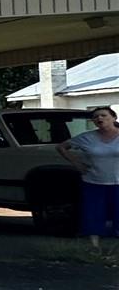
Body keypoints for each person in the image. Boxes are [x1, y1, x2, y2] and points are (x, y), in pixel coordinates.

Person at [58, 104, 119, 247]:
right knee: (94, 213)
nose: (99, 118)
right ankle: (94, 246)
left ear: (113, 118)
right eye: (95, 117)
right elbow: (61, 147)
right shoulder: (87, 137)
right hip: (94, 181)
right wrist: (76, 163)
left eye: (104, 115)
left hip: (117, 182)